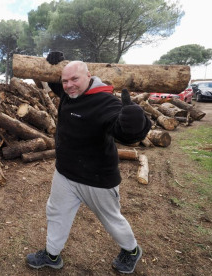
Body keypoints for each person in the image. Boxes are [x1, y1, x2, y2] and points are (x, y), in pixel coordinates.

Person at [26, 51, 152, 274]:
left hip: (97, 179)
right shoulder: (69, 93)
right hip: (65, 173)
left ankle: (131, 250)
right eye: (65, 80)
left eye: (74, 79)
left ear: (89, 76)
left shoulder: (106, 102)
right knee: (56, 213)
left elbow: (123, 131)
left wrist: (134, 124)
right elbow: (51, 79)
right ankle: (52, 254)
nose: (69, 85)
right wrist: (54, 61)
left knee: (111, 220)